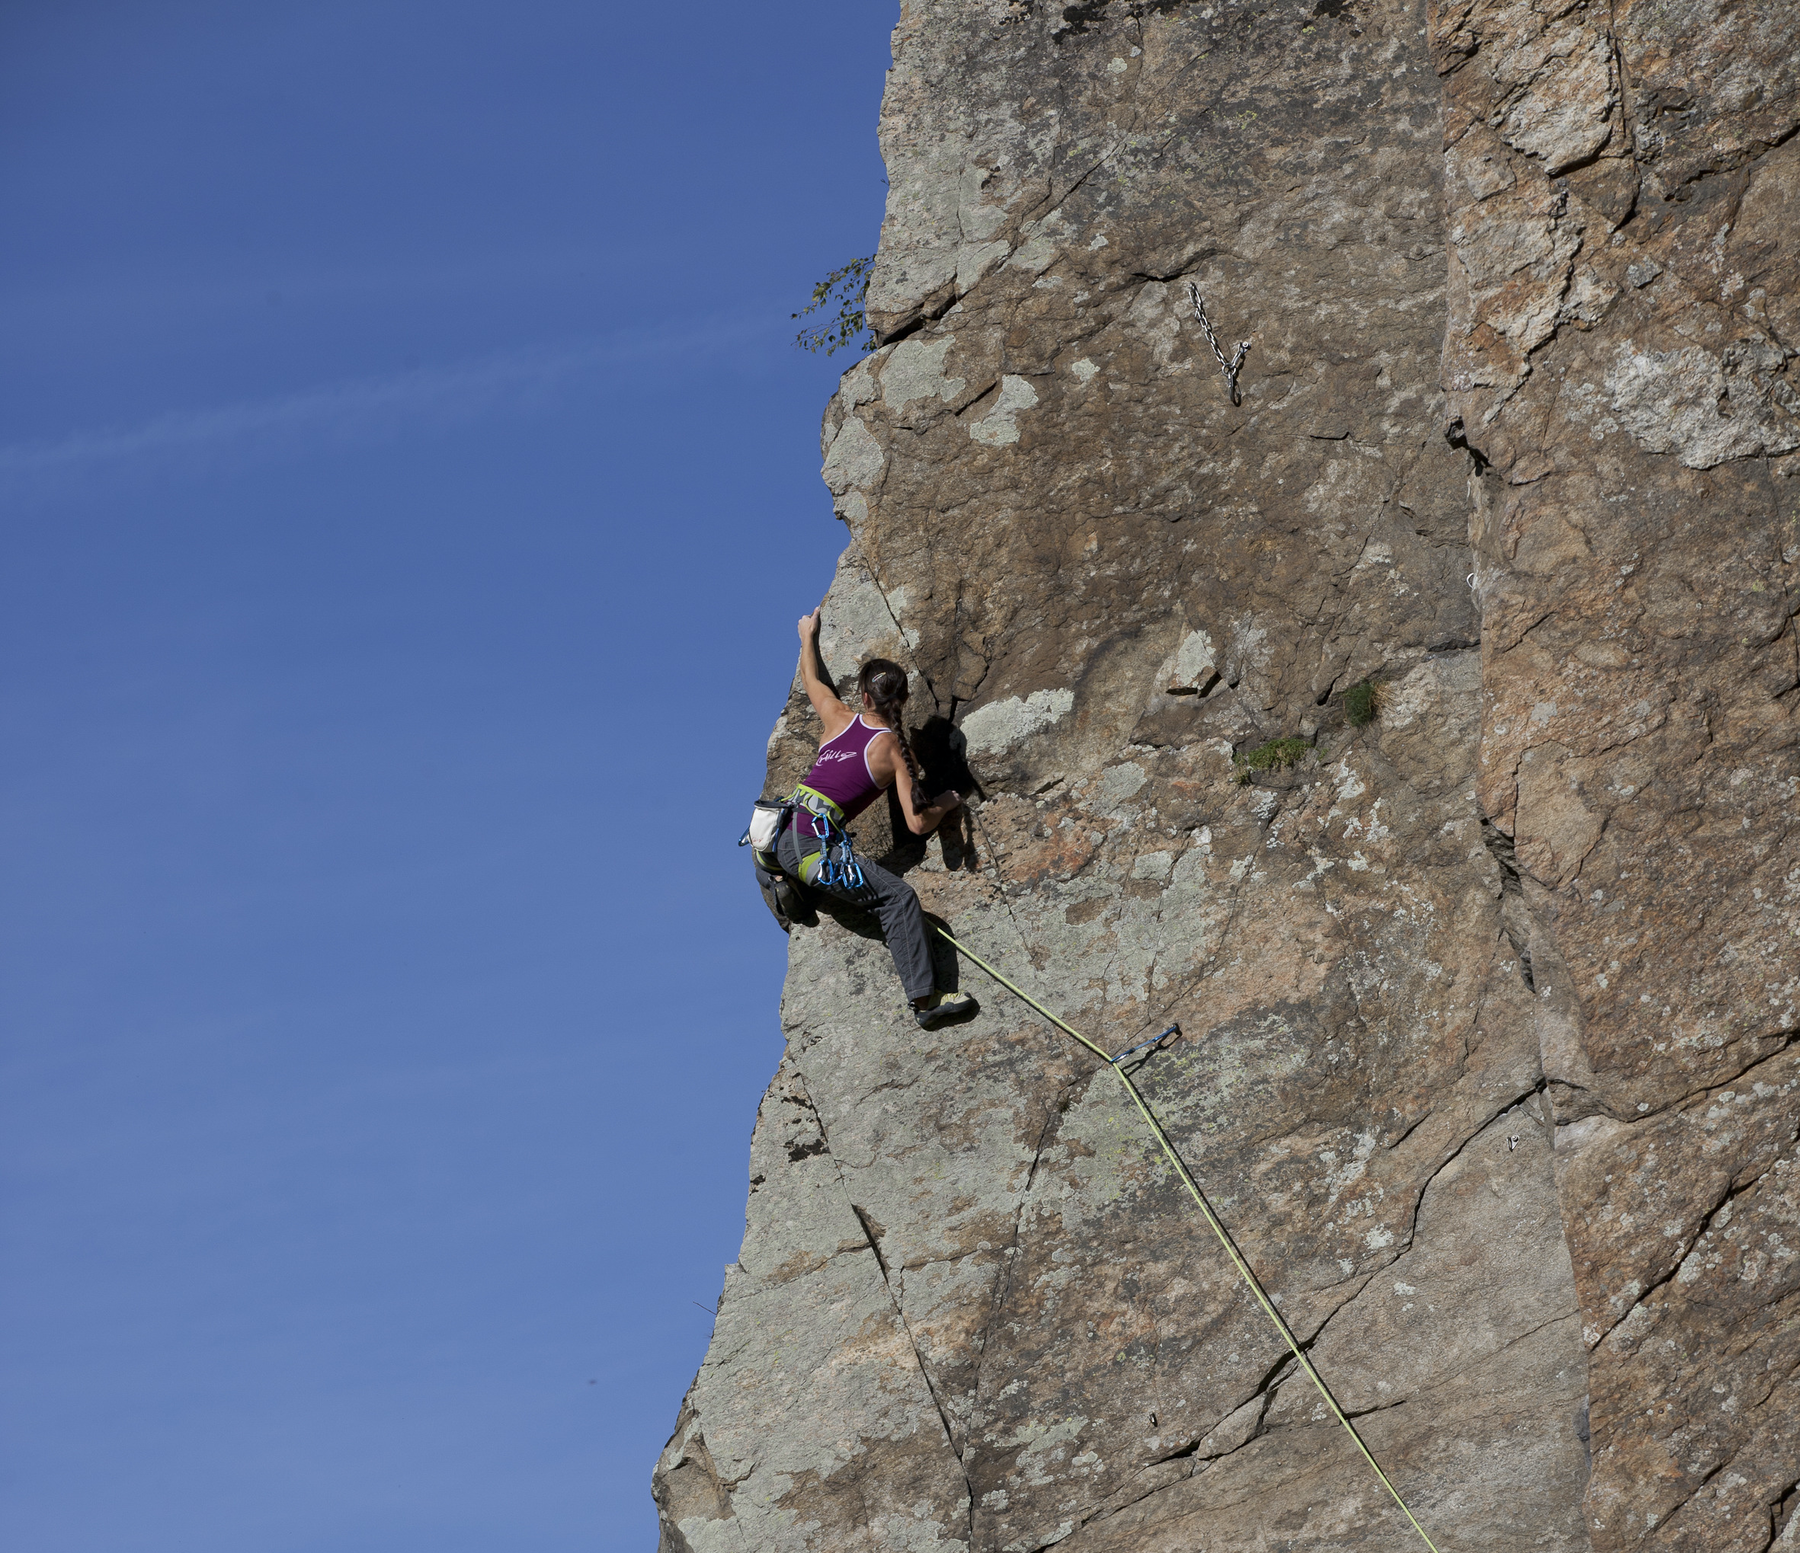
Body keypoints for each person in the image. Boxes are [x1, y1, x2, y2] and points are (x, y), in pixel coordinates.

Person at [776, 608, 978, 1030]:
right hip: (814, 849)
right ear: (903, 700)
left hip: (778, 833)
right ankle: (926, 1001)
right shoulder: (894, 752)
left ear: (865, 698)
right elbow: (919, 824)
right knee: (898, 899)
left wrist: (807, 637)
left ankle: (784, 881)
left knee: (802, 861)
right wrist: (946, 802)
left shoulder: (837, 717)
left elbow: (812, 681)